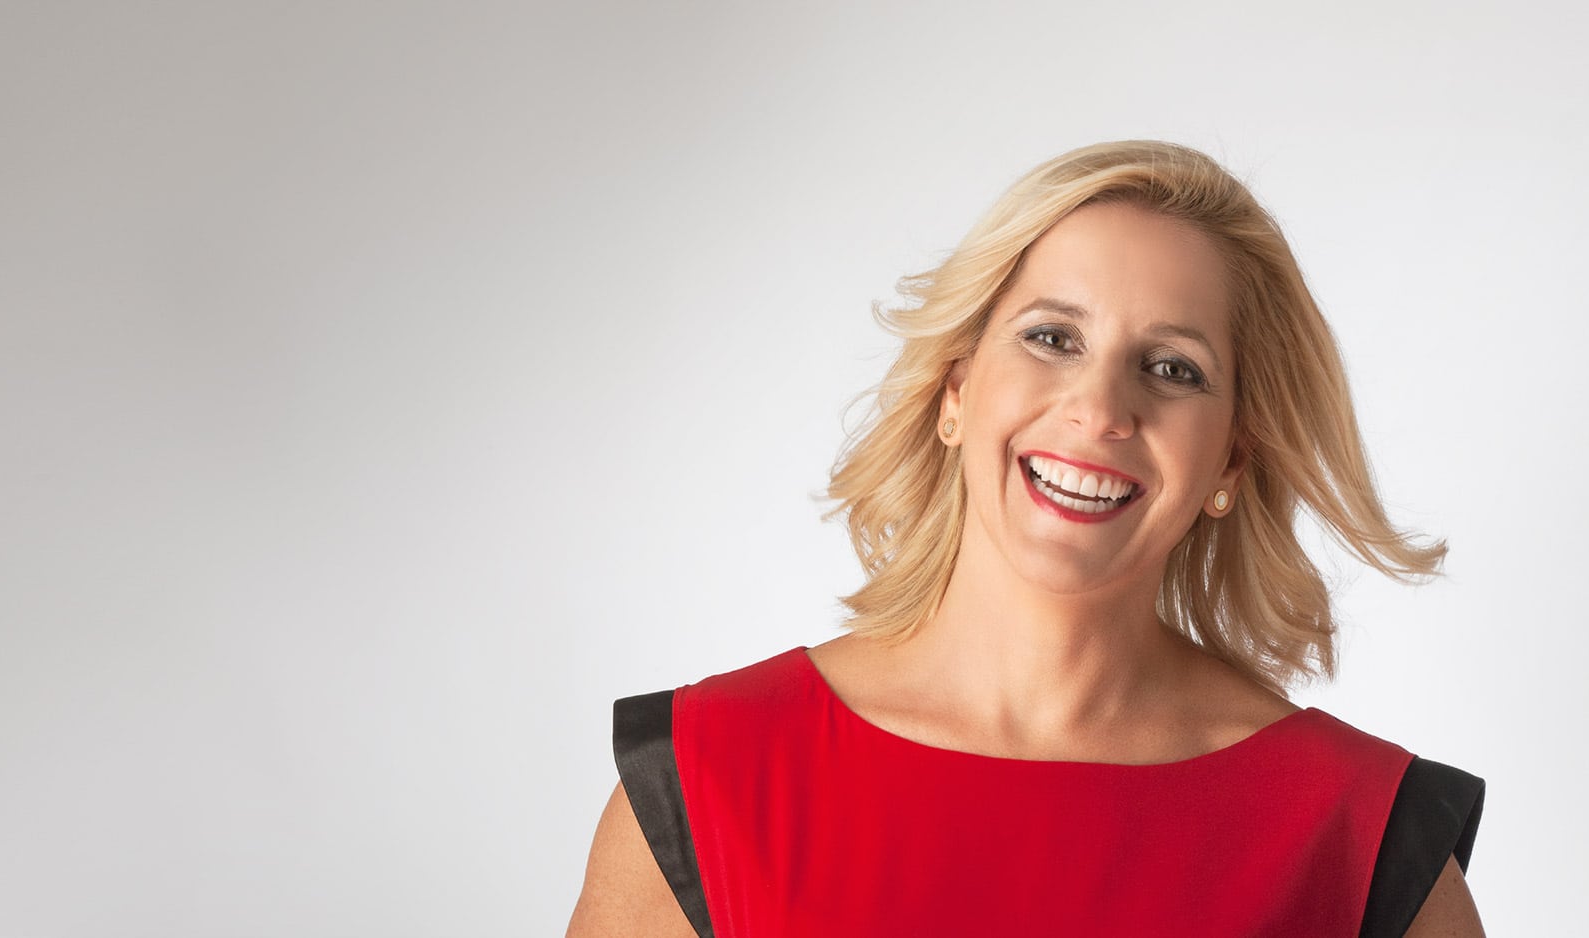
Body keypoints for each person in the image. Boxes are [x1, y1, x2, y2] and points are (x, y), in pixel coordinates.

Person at [565, 140, 1486, 938]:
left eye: (1172, 368)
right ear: (956, 391)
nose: (1099, 410)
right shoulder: (711, 776)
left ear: (1232, 464)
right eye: (1052, 337)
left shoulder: (1360, 833)